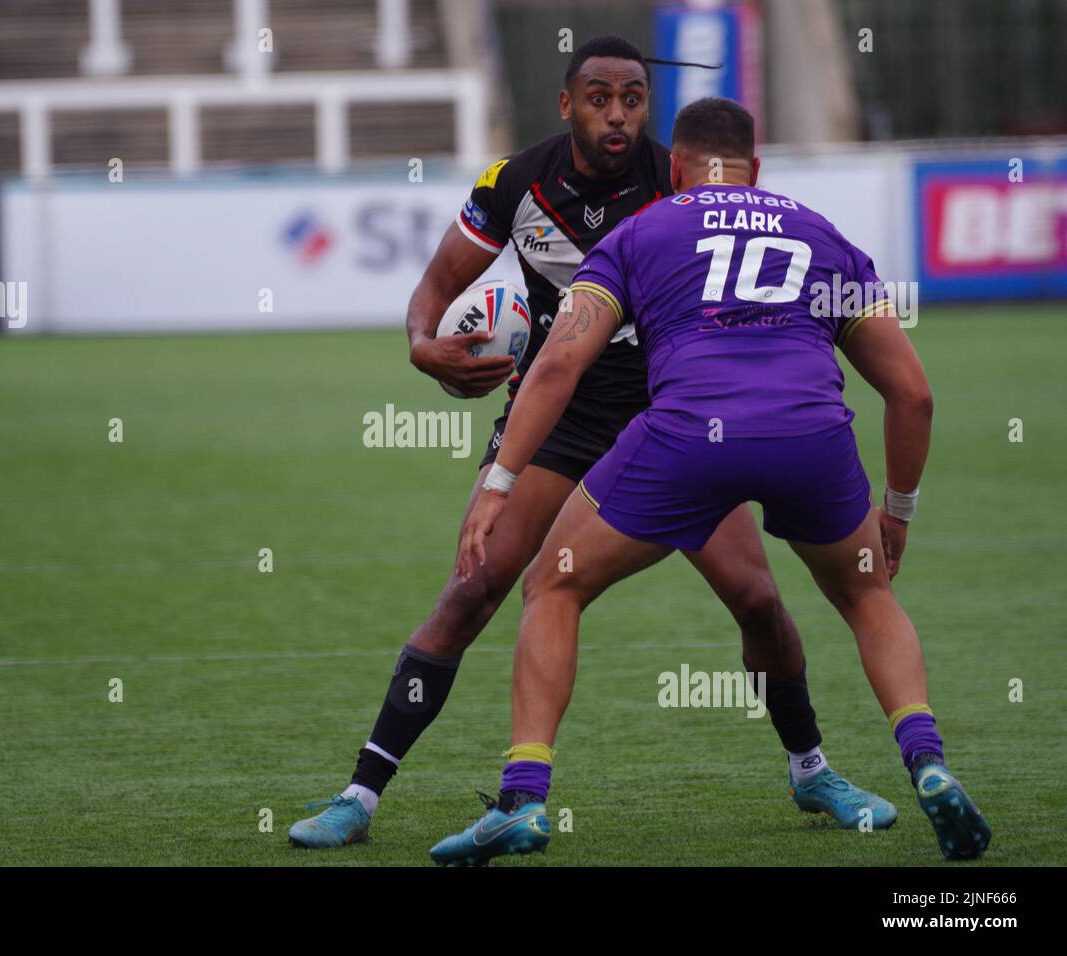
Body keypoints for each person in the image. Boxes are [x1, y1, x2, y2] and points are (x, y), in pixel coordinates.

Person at [290, 39, 892, 851]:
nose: (618, 114)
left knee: (756, 601)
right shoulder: (516, 183)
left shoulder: (675, 183)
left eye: (634, 99)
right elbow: (435, 290)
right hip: (559, 417)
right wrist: (420, 342)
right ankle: (359, 796)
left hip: (674, 418)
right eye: (601, 98)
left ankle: (812, 769)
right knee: (473, 587)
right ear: (566, 105)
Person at [430, 96, 990, 865]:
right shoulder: (819, 233)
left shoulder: (642, 231)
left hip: (689, 435)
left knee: (553, 587)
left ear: (677, 170)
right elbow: (913, 393)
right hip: (811, 436)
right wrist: (897, 510)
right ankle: (927, 762)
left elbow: (559, 362)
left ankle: (524, 800)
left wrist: (498, 484)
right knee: (866, 595)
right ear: (755, 170)